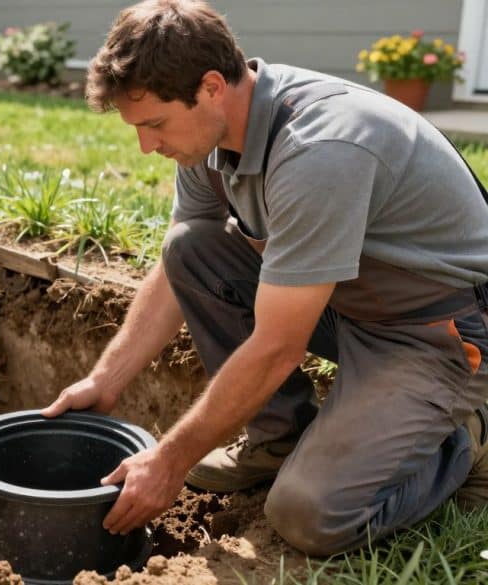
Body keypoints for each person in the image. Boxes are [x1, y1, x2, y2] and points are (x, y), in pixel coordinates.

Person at [41, 0, 488, 555]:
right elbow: (181, 260)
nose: (147, 146)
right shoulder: (210, 139)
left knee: (310, 516)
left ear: (210, 87)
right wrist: (105, 380)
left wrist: (171, 459)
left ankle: (467, 438)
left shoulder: (319, 149)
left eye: (155, 123)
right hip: (348, 302)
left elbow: (279, 346)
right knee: (191, 249)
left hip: (435, 330)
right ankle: (277, 440)